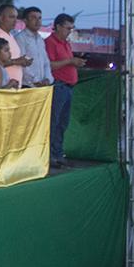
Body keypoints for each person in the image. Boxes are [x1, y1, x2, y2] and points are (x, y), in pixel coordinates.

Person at [45, 13, 85, 169]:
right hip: (58, 86)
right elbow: (50, 65)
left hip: (68, 86)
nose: (70, 31)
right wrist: (70, 61)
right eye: (68, 28)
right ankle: (50, 155)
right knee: (53, 122)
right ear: (58, 26)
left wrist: (75, 62)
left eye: (71, 28)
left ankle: (58, 153)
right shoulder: (50, 42)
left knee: (62, 123)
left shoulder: (66, 43)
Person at [0, 4, 31, 88]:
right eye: (11, 17)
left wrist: (22, 61)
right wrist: (18, 61)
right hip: (5, 86)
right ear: (1, 18)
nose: (15, 21)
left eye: (16, 17)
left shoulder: (11, 35)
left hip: (14, 88)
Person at [13, 7, 53, 88]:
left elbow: (46, 62)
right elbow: (22, 63)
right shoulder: (20, 38)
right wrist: (36, 81)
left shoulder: (40, 39)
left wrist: (48, 79)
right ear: (25, 21)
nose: (38, 21)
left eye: (39, 18)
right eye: (33, 18)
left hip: (43, 85)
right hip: (28, 85)